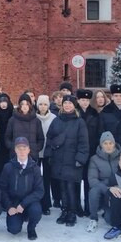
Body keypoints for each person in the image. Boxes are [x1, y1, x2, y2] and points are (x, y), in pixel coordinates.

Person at [46, 95, 89, 227]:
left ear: (74, 106)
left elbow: (84, 143)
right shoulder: (57, 120)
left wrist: (80, 159)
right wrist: (54, 146)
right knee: (62, 187)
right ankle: (64, 210)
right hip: (59, 159)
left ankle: (72, 212)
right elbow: (50, 138)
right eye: (65, 103)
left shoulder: (79, 122)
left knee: (71, 187)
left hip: (72, 160)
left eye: (70, 103)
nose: (67, 105)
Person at [0, 137, 44, 240]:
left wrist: (24, 204)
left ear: (29, 150)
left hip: (29, 202)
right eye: (19, 148)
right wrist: (9, 206)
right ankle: (19, 218)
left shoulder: (35, 168)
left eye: (24, 148)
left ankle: (31, 228)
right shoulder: (8, 167)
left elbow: (39, 191)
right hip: (14, 203)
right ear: (15, 150)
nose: (22, 151)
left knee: (36, 211)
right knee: (13, 230)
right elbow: (2, 189)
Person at [86, 131, 121, 232]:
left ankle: (110, 212)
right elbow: (92, 180)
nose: (108, 146)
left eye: (111, 143)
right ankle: (93, 218)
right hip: (103, 190)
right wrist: (108, 188)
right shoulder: (94, 159)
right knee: (93, 191)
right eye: (105, 143)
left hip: (117, 190)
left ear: (114, 144)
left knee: (110, 220)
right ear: (101, 145)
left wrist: (118, 186)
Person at [76, 89, 100, 217]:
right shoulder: (74, 113)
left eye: (86, 100)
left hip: (91, 152)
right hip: (77, 152)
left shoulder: (94, 113)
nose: (85, 102)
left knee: (88, 180)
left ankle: (88, 206)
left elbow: (98, 132)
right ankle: (77, 206)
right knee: (76, 180)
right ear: (78, 100)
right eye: (82, 100)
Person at [98, 84, 121, 158]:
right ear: (112, 97)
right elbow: (101, 131)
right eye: (116, 96)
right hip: (111, 150)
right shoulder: (105, 112)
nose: (118, 98)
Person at [4, 93, 45, 162]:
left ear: (30, 105)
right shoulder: (12, 120)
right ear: (19, 105)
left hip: (32, 157)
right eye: (22, 104)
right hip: (15, 156)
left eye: (27, 104)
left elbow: (41, 139)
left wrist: (34, 149)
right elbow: (7, 138)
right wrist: (13, 147)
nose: (24, 106)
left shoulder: (36, 121)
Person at [36, 94, 56, 215]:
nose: (43, 107)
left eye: (45, 104)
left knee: (47, 179)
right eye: (40, 104)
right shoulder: (33, 117)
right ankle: (36, 202)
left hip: (48, 153)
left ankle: (46, 204)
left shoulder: (53, 118)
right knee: (36, 179)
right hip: (36, 153)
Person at [0, 94, 13, 175]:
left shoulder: (12, 114)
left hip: (9, 147)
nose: (3, 104)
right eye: (1, 102)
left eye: (5, 102)